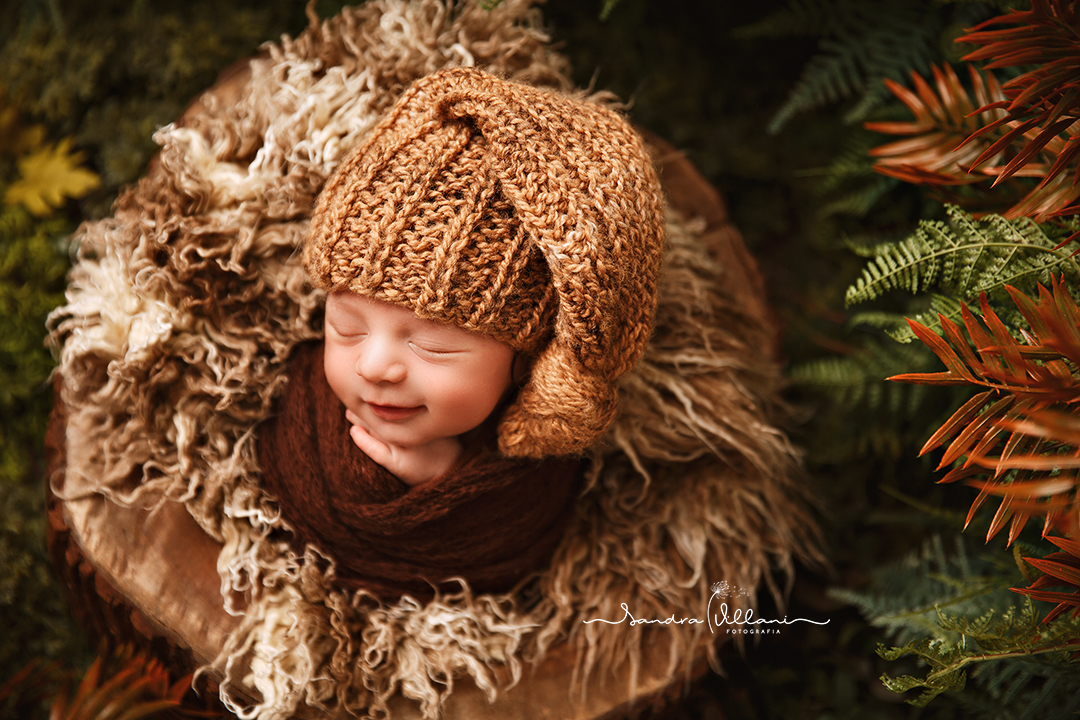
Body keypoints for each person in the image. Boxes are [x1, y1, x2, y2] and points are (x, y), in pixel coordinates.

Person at [256, 66, 665, 603]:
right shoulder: (293, 408)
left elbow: (514, 537)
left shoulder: (533, 484)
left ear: (529, 363)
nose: (374, 365)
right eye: (346, 328)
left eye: (433, 345)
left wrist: (446, 478)